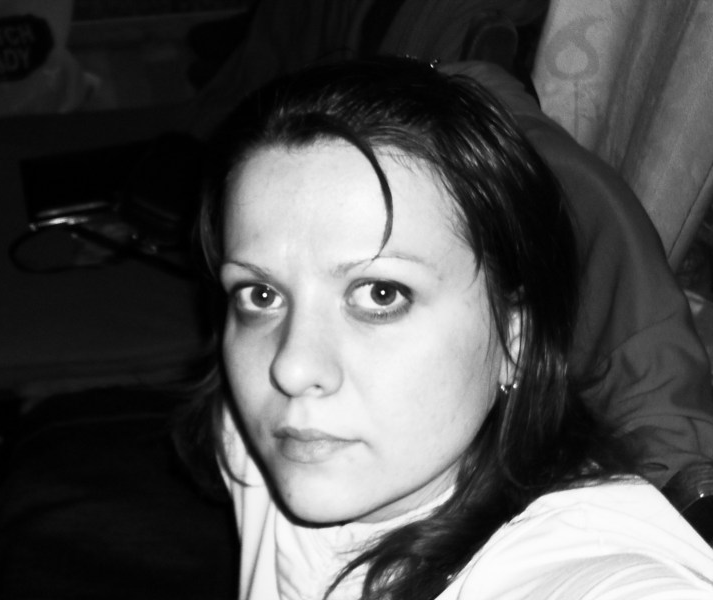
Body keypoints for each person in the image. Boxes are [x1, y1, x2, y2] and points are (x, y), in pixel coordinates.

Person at [192, 57, 713, 599]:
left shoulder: (597, 573)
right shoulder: (252, 441)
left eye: (381, 294)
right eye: (261, 295)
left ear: (516, 339)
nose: (292, 368)